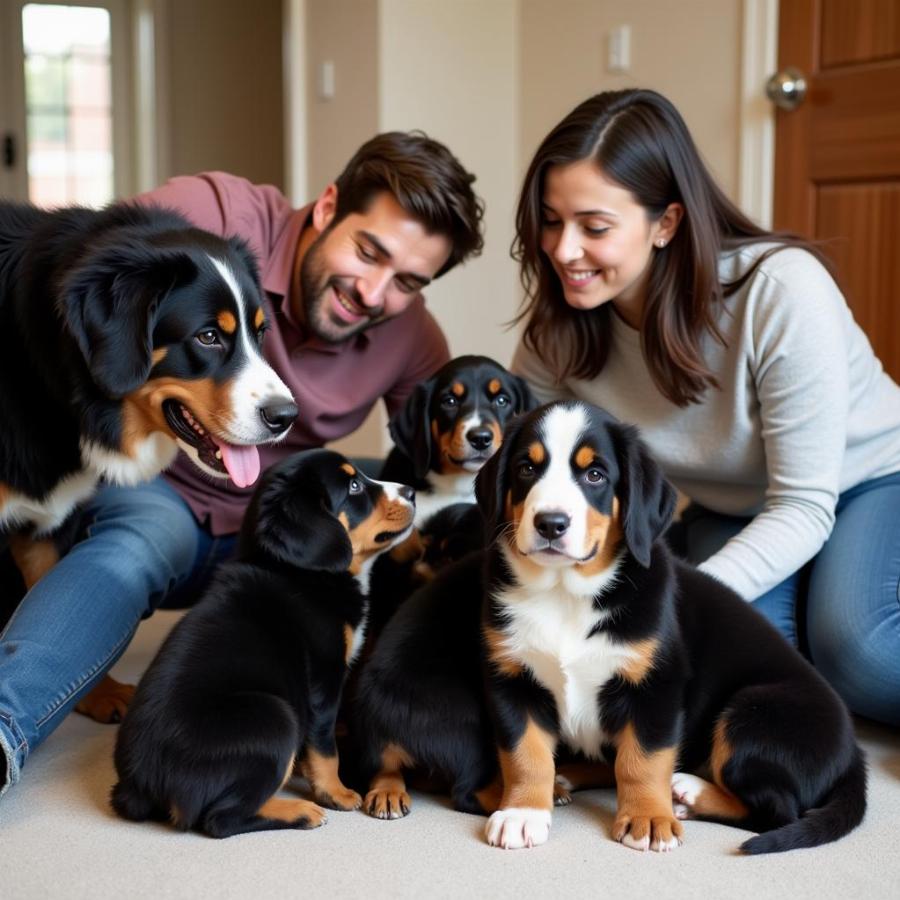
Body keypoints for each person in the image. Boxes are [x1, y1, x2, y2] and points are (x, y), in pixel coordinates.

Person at [0, 131, 484, 795]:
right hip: (162, 499)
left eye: (406, 281)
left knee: (399, 500)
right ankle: (5, 723)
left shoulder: (411, 335)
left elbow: (445, 464)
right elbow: (83, 297)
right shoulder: (212, 214)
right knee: (137, 543)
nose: (373, 292)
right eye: (369, 252)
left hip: (282, 533)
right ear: (328, 206)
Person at [510, 89, 900, 726]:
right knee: (718, 676)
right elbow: (508, 465)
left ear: (666, 223)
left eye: (594, 227)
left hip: (871, 479)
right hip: (735, 505)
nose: (562, 249)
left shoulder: (780, 290)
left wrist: (680, 602)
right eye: (551, 221)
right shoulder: (560, 329)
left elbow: (804, 504)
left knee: (854, 649)